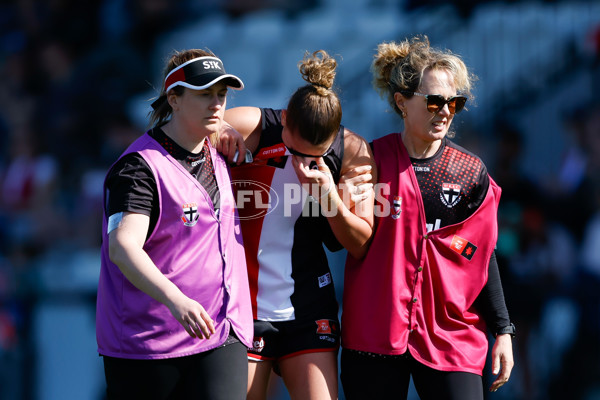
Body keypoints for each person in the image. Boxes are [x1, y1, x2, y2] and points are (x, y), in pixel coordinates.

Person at [339, 36, 515, 400]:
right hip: (374, 331)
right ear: (402, 102)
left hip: (452, 335)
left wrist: (503, 330)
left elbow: (482, 256)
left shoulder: (471, 172)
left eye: (455, 102)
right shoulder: (370, 161)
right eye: (435, 101)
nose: (446, 110)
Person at [95, 49, 253, 399]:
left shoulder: (220, 146)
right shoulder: (138, 167)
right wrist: (175, 300)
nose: (216, 103)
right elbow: (122, 246)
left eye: (221, 95)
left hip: (221, 331)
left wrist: (226, 124)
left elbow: (283, 121)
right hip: (149, 343)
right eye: (204, 93)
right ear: (174, 99)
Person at [220, 50, 376, 399]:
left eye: (316, 155)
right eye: (296, 150)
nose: (304, 163)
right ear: (286, 120)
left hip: (308, 306)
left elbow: (360, 243)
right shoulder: (255, 125)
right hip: (244, 307)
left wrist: (329, 198)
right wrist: (219, 130)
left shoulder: (353, 151)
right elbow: (187, 134)